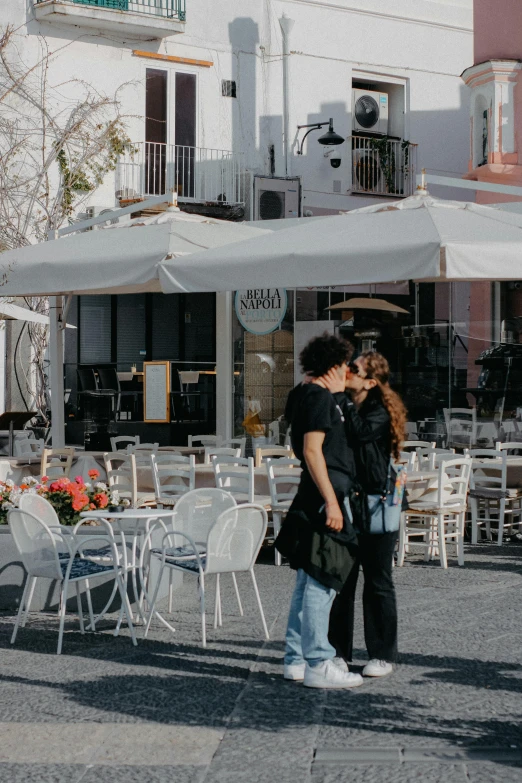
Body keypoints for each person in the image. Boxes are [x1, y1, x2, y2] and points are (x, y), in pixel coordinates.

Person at [277, 333, 363, 690]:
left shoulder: (311, 395)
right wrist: (331, 501)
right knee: (322, 581)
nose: (349, 371)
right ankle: (318, 662)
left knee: (308, 581)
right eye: (346, 365)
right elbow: (312, 451)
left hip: (319, 496)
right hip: (324, 498)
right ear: (335, 366)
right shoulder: (317, 397)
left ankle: (297, 659)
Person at [325, 351, 407, 678]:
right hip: (346, 502)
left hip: (377, 503)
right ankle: (338, 652)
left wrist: (338, 400)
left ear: (370, 382)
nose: (347, 371)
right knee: (342, 580)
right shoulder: (340, 404)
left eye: (354, 369)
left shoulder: (379, 411)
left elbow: (359, 433)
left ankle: (382, 653)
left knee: (377, 581)